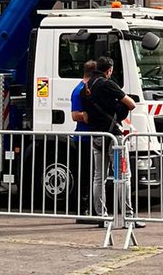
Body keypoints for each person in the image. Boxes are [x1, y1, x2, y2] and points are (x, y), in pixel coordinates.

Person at [85, 55, 144, 226]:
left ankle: (102, 216)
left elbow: (86, 117)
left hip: (96, 137)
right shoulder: (108, 84)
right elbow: (131, 104)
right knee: (123, 176)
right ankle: (128, 218)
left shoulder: (86, 87)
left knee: (98, 178)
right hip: (114, 138)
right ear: (109, 70)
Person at [70, 58, 98, 221]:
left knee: (91, 175)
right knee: (85, 176)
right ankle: (82, 211)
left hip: (91, 139)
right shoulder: (79, 90)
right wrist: (86, 116)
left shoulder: (88, 89)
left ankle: (90, 208)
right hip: (84, 140)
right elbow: (74, 115)